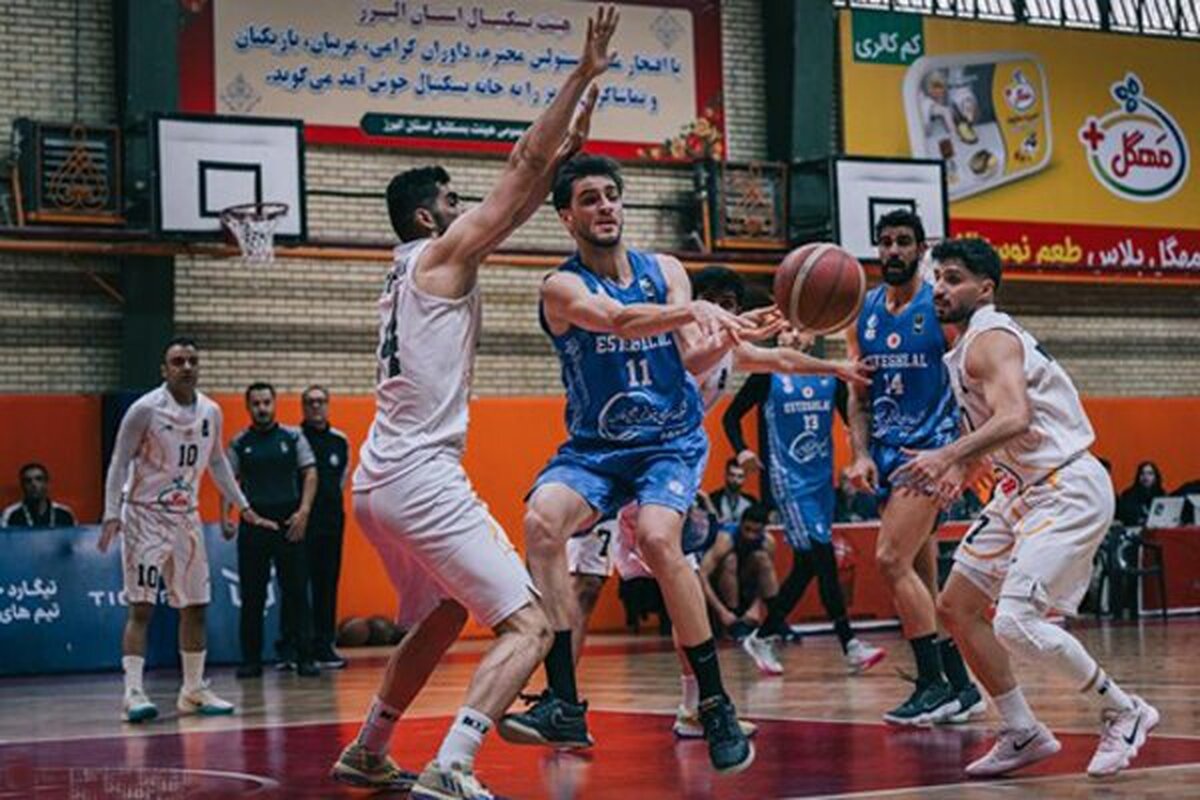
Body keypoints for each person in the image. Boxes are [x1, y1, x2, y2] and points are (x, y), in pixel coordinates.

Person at [327, 11, 615, 798]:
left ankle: (369, 748)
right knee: (531, 623)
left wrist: (572, 142)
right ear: (429, 216)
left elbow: (521, 197)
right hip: (420, 476)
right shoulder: (441, 254)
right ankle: (452, 764)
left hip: (378, 480)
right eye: (456, 200)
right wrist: (580, 75)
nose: (471, 208)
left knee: (445, 613)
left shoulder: (411, 266)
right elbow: (521, 168)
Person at [506, 156, 771, 774]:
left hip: (668, 442)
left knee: (656, 537)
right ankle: (564, 702)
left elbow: (690, 355)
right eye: (590, 198)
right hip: (596, 449)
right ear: (567, 216)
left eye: (612, 195)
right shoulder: (560, 287)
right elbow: (619, 321)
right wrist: (697, 311)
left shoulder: (667, 270)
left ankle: (714, 703)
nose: (605, 206)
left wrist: (728, 335)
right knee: (541, 522)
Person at [558, 263, 868, 741]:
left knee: (682, 589)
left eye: (730, 305)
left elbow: (780, 360)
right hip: (611, 465)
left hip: (660, 474)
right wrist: (732, 332)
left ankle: (695, 706)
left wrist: (836, 368)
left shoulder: (726, 348)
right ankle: (562, 705)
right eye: (713, 303)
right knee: (584, 586)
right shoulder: (666, 341)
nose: (722, 312)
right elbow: (691, 361)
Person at [897, 237, 1158, 779]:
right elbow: (1007, 429)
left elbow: (1014, 416)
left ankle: (1124, 710)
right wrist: (963, 470)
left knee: (1016, 622)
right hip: (1021, 490)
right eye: (937, 278)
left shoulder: (990, 338)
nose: (939, 288)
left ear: (984, 289)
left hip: (1066, 486)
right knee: (957, 605)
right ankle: (1021, 730)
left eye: (953, 279)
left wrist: (947, 454)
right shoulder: (968, 345)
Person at [843, 209, 982, 725]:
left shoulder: (940, 307)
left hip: (929, 455)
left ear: (921, 249)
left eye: (904, 241)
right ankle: (961, 687)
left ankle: (931, 684)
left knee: (889, 561)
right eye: (885, 242)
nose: (893, 250)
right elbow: (858, 394)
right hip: (885, 455)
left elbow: (971, 387)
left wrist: (962, 460)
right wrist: (859, 453)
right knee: (921, 578)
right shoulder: (864, 311)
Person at [97, 337, 277, 723]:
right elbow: (118, 461)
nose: (187, 367)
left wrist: (244, 506)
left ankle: (192, 690)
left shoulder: (211, 410)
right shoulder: (144, 409)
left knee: (196, 606)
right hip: (144, 515)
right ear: (164, 369)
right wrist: (112, 511)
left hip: (186, 517)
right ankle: (133, 692)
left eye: (192, 360)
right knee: (142, 607)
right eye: (178, 361)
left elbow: (218, 463)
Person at [724, 329, 886, 675]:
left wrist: (860, 456)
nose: (792, 334)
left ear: (812, 338)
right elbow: (730, 416)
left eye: (799, 329)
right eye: (785, 328)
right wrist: (743, 451)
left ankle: (763, 636)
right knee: (821, 555)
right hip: (789, 482)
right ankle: (849, 643)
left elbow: (854, 419)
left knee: (807, 565)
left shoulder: (830, 377)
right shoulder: (767, 376)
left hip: (822, 483)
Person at [225, 382, 319, 679]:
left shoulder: (293, 436)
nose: (262, 408)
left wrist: (304, 513)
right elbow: (229, 482)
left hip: (288, 523)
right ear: (248, 407)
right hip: (254, 523)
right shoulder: (239, 442)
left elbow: (310, 473)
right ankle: (251, 660)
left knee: (297, 592)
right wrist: (227, 516)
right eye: (256, 404)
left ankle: (305, 657)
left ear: (274, 403)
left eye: (266, 402)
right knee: (252, 595)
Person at [299, 385, 351, 669]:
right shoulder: (295, 438)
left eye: (320, 401)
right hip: (301, 524)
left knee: (327, 585)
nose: (316, 406)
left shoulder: (340, 441)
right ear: (303, 407)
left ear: (328, 405)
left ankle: (324, 645)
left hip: (331, 524)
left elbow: (342, 479)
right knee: (298, 586)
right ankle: (298, 648)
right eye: (310, 402)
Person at [696, 503, 778, 641]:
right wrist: (722, 612)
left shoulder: (768, 542)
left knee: (762, 559)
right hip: (721, 586)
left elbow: (766, 579)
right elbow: (701, 575)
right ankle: (734, 617)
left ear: (764, 530)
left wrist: (756, 607)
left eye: (756, 532)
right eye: (747, 529)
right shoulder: (725, 539)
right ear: (740, 524)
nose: (750, 536)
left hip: (746, 583)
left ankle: (776, 617)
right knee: (730, 560)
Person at [2, 463, 76, 528]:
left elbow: (75, 538)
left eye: (39, 479)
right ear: (22, 486)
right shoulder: (11, 514)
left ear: (46, 483)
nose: (34, 484)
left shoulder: (65, 514)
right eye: (28, 481)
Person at [709, 458, 757, 532]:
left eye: (740, 476)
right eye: (732, 475)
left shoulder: (751, 502)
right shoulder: (713, 499)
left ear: (745, 478)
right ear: (725, 475)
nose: (735, 480)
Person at [1115, 461, 1166, 528]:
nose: (1146, 477)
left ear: (1155, 477)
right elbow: (1125, 517)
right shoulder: (1128, 495)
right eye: (1142, 473)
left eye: (1150, 474)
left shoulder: (1162, 494)